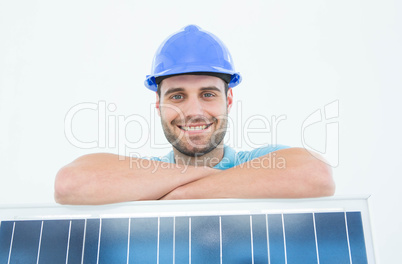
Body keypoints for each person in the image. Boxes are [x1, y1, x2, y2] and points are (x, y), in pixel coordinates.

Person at [54, 25, 335, 205]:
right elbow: (70, 183)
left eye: (208, 94)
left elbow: (317, 174)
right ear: (158, 104)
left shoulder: (254, 162)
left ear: (229, 99)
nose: (193, 112)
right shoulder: (147, 169)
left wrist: (180, 195)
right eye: (177, 96)